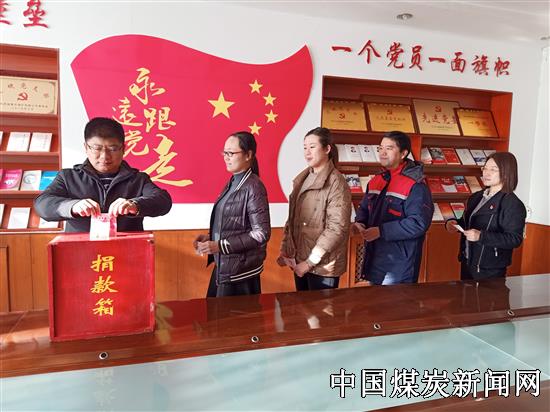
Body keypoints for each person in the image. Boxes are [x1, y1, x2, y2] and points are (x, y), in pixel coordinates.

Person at [34, 117, 172, 232]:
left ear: (123, 149)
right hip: (80, 251)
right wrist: (73, 206)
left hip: (127, 250)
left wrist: (134, 204)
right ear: (86, 147)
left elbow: (163, 201)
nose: (104, 156)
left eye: (113, 149)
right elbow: (42, 204)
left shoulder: (138, 179)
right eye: (97, 148)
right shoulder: (68, 177)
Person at [193, 131, 270, 298]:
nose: (226, 158)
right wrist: (211, 238)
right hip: (225, 265)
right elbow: (234, 225)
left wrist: (219, 246)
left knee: (231, 315)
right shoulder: (233, 182)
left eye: (231, 153)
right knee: (214, 312)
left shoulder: (254, 187)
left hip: (240, 273)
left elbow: (261, 233)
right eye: (224, 153)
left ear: (248, 155)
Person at [352, 131, 433, 285]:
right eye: (380, 148)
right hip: (373, 257)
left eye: (389, 148)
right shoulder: (376, 180)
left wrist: (381, 231)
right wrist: (360, 222)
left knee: (396, 300)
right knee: (375, 299)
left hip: (399, 264)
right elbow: (364, 208)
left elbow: (418, 223)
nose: (382, 153)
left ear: (403, 153)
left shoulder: (415, 184)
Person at [278, 127, 351, 291]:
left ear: (327, 149)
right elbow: (292, 219)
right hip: (300, 260)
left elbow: (337, 228)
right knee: (303, 306)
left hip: (322, 266)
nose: (307, 152)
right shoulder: (302, 178)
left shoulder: (336, 183)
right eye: (305, 147)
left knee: (320, 308)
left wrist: (310, 262)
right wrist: (286, 249)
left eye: (312, 146)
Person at [445, 152, 526, 280]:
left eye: (493, 170)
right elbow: (468, 222)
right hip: (468, 260)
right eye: (485, 168)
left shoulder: (512, 203)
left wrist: (481, 236)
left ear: (506, 172)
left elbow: (514, 239)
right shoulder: (476, 197)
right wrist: (454, 223)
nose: (486, 173)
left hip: (490, 269)